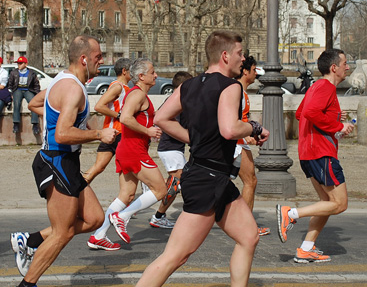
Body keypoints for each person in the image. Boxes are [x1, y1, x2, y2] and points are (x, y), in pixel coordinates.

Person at [136, 30, 270, 287]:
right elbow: (230, 129)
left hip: (213, 177)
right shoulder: (231, 86)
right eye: (240, 54)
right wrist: (254, 127)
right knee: (175, 256)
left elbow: (161, 119)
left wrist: (194, 138)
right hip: (207, 178)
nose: (243, 59)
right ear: (225, 55)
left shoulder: (189, 85)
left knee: (249, 236)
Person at [9, 35, 118, 286]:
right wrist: (99, 133)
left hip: (67, 161)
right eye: (98, 57)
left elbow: (37, 103)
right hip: (56, 160)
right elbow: (62, 133)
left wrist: (69, 120)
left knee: (94, 219)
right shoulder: (71, 89)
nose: (102, 61)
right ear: (84, 59)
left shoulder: (64, 80)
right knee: (63, 233)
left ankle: (32, 240)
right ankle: (27, 284)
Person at [276, 48, 354, 264]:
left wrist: (335, 119)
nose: (347, 67)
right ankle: (289, 214)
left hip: (310, 153)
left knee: (327, 202)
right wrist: (338, 124)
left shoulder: (317, 87)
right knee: (340, 204)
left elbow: (302, 113)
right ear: (334, 67)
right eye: (345, 63)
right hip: (321, 153)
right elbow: (309, 113)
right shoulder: (326, 87)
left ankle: (305, 249)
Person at [87, 58, 166, 251]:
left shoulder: (138, 95)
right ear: (141, 76)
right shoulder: (137, 95)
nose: (156, 75)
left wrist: (149, 129)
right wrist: (147, 132)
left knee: (126, 195)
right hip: (133, 149)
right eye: (152, 72)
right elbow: (126, 118)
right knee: (161, 190)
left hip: (127, 148)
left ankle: (98, 235)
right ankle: (122, 216)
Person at [149, 71, 193, 229]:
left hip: (173, 148)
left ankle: (162, 215)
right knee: (177, 182)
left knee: (182, 181)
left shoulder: (174, 100)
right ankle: (158, 216)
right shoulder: (178, 101)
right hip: (170, 148)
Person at [235, 56, 270, 236]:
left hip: (239, 142)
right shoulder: (238, 92)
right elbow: (235, 119)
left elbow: (243, 119)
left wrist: (251, 134)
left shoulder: (242, 92)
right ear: (245, 71)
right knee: (250, 181)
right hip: (236, 143)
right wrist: (246, 135)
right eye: (254, 69)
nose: (256, 73)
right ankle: (246, 226)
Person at [83, 57, 132, 183]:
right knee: (135, 168)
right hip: (118, 133)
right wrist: (119, 116)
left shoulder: (124, 87)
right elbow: (99, 106)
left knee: (98, 167)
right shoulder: (118, 87)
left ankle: (76, 188)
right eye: (132, 70)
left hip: (113, 133)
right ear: (124, 71)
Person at [7, 56, 41, 135]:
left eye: (21, 63)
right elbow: (10, 85)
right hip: (17, 89)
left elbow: (36, 85)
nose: (19, 65)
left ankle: (35, 124)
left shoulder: (31, 73)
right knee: (17, 103)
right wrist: (11, 93)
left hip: (28, 90)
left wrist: (37, 94)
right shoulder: (14, 73)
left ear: (25, 64)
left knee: (33, 103)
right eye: (18, 63)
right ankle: (16, 123)